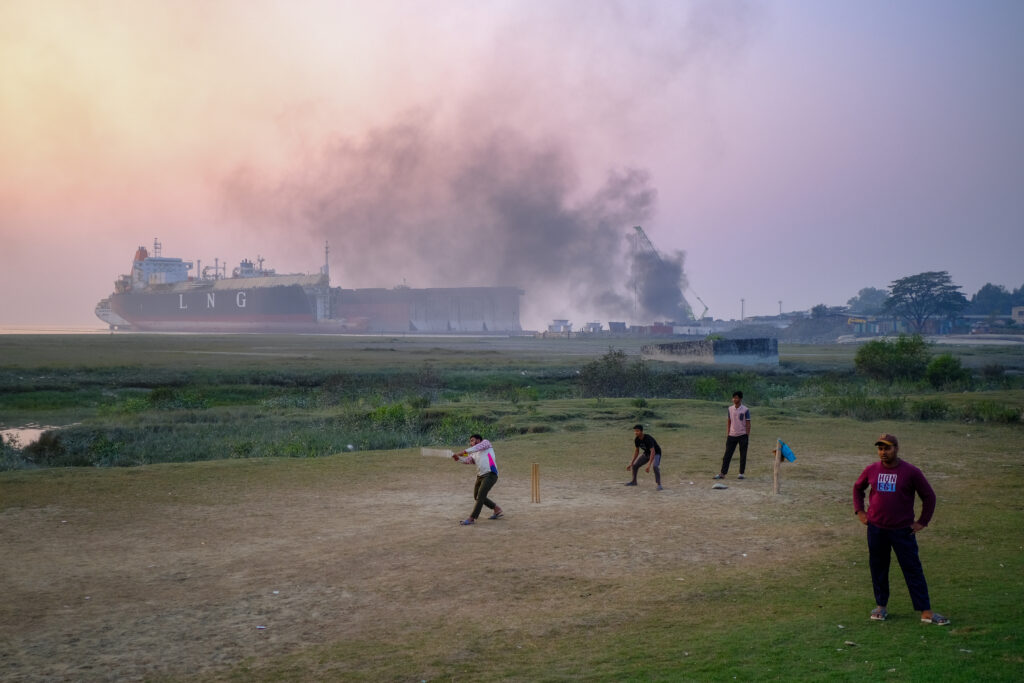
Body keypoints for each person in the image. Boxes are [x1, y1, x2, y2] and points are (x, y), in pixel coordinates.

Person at [853, 433, 949, 625]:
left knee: (912, 568)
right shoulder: (872, 470)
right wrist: (860, 512)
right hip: (876, 529)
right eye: (880, 448)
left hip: (902, 531)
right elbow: (857, 488)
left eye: (887, 448)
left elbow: (929, 496)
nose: (883, 452)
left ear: (896, 448)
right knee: (878, 567)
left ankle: (926, 611)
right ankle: (881, 606)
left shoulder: (911, 472)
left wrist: (922, 521)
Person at [452, 434, 502, 526]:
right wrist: (458, 458)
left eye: (472, 440)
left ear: (478, 440)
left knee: (480, 496)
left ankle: (472, 518)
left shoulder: (486, 443)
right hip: (480, 476)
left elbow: (473, 449)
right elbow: (467, 460)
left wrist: (459, 453)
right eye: (470, 441)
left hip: (490, 474)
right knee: (477, 497)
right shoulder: (474, 453)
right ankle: (496, 509)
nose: (470, 443)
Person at [715, 391, 750, 480]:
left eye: (737, 398)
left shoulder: (745, 410)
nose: (734, 399)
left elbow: (748, 423)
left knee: (743, 455)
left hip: (742, 435)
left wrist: (747, 435)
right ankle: (722, 473)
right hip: (732, 435)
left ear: (740, 399)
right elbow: (729, 421)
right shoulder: (730, 409)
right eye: (733, 398)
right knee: (727, 455)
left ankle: (741, 473)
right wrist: (728, 433)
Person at [625, 424, 662, 490]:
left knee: (655, 466)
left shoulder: (648, 438)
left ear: (641, 431)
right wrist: (631, 463)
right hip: (647, 453)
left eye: (637, 431)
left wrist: (649, 465)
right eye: (635, 431)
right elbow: (636, 452)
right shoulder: (637, 440)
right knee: (635, 465)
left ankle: (659, 485)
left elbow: (653, 451)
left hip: (656, 453)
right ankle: (634, 482)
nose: (636, 432)